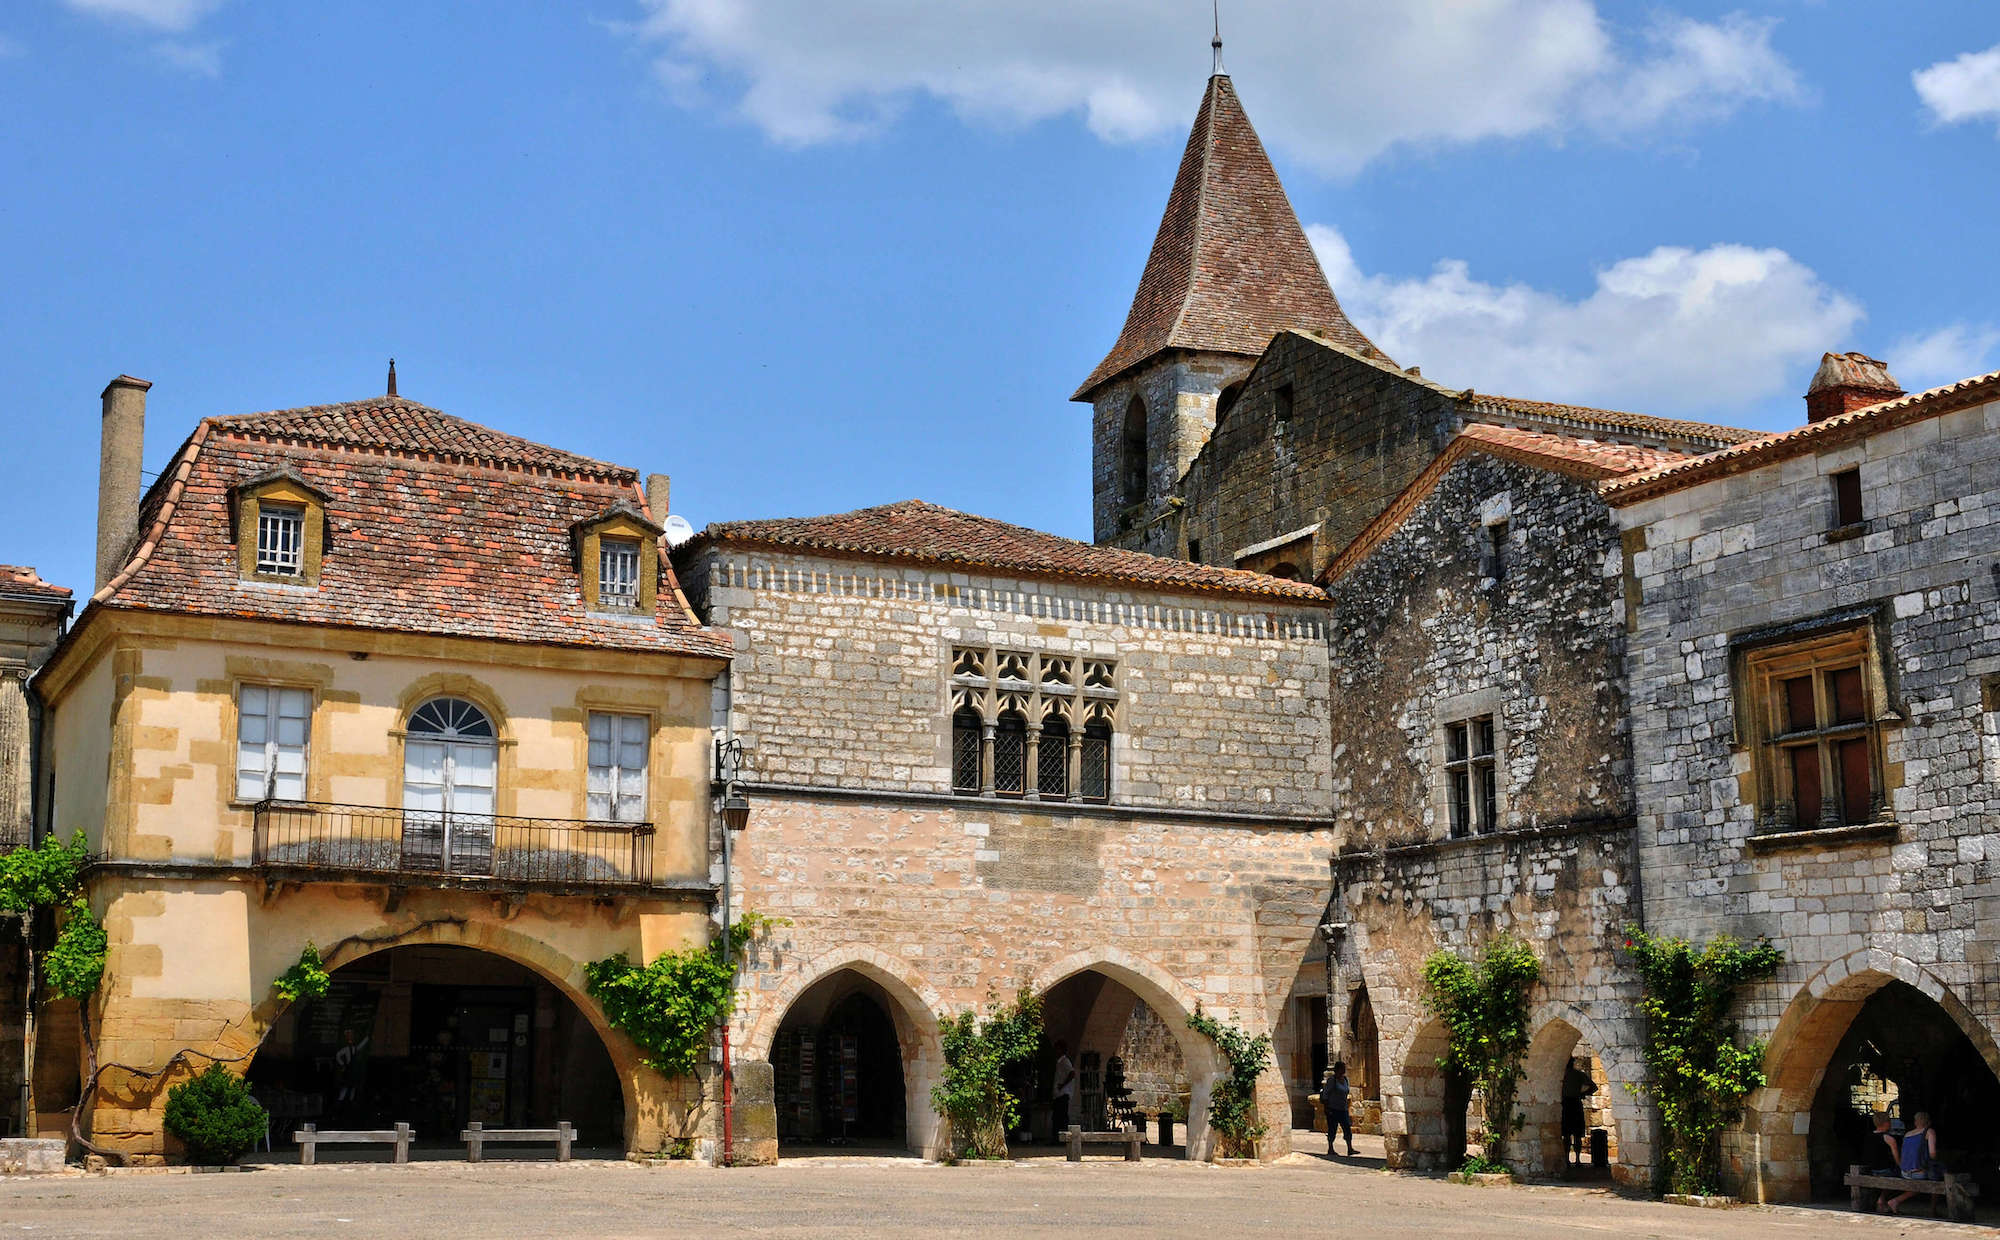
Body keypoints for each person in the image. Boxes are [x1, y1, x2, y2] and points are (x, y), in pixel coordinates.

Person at [1882, 1110, 1940, 1215]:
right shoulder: (1929, 1132)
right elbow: (1932, 1153)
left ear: (1915, 1122)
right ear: (1928, 1122)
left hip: (1904, 1172)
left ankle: (1895, 1201)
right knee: (1936, 1178)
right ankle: (1932, 1210)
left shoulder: (1907, 1134)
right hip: (1918, 1173)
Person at [1561, 1058, 1596, 1166]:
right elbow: (1593, 1087)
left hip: (1565, 1104)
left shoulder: (1562, 1075)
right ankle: (1577, 1159)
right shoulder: (1578, 1074)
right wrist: (1581, 1093)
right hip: (1575, 1103)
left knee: (1566, 1134)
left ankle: (1567, 1159)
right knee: (1577, 1134)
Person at [1321, 1060, 1355, 1157]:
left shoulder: (1345, 1079)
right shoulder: (1332, 1080)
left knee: (1347, 1128)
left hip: (1343, 1109)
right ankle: (1330, 1148)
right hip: (1333, 1109)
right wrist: (1327, 1108)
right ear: (1338, 1069)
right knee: (1332, 1129)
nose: (1344, 1070)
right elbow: (1325, 1094)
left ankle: (1350, 1148)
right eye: (1342, 1068)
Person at [1052, 1041, 1077, 1137]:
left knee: (1061, 1117)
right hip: (1058, 1094)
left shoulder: (1065, 1061)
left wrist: (1063, 1085)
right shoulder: (1059, 1062)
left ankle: (1062, 1138)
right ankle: (1057, 1138)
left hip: (1063, 1094)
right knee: (1056, 1117)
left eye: (1057, 1049)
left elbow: (1072, 1073)